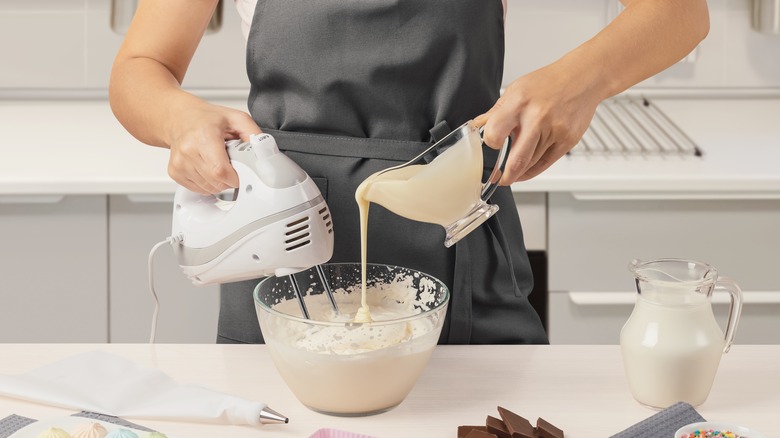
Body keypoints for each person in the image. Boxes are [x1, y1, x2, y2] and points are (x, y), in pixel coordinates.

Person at [109, 0, 709, 345]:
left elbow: (681, 13)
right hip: (282, 252)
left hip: (457, 243)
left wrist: (578, 82)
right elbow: (140, 66)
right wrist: (179, 118)